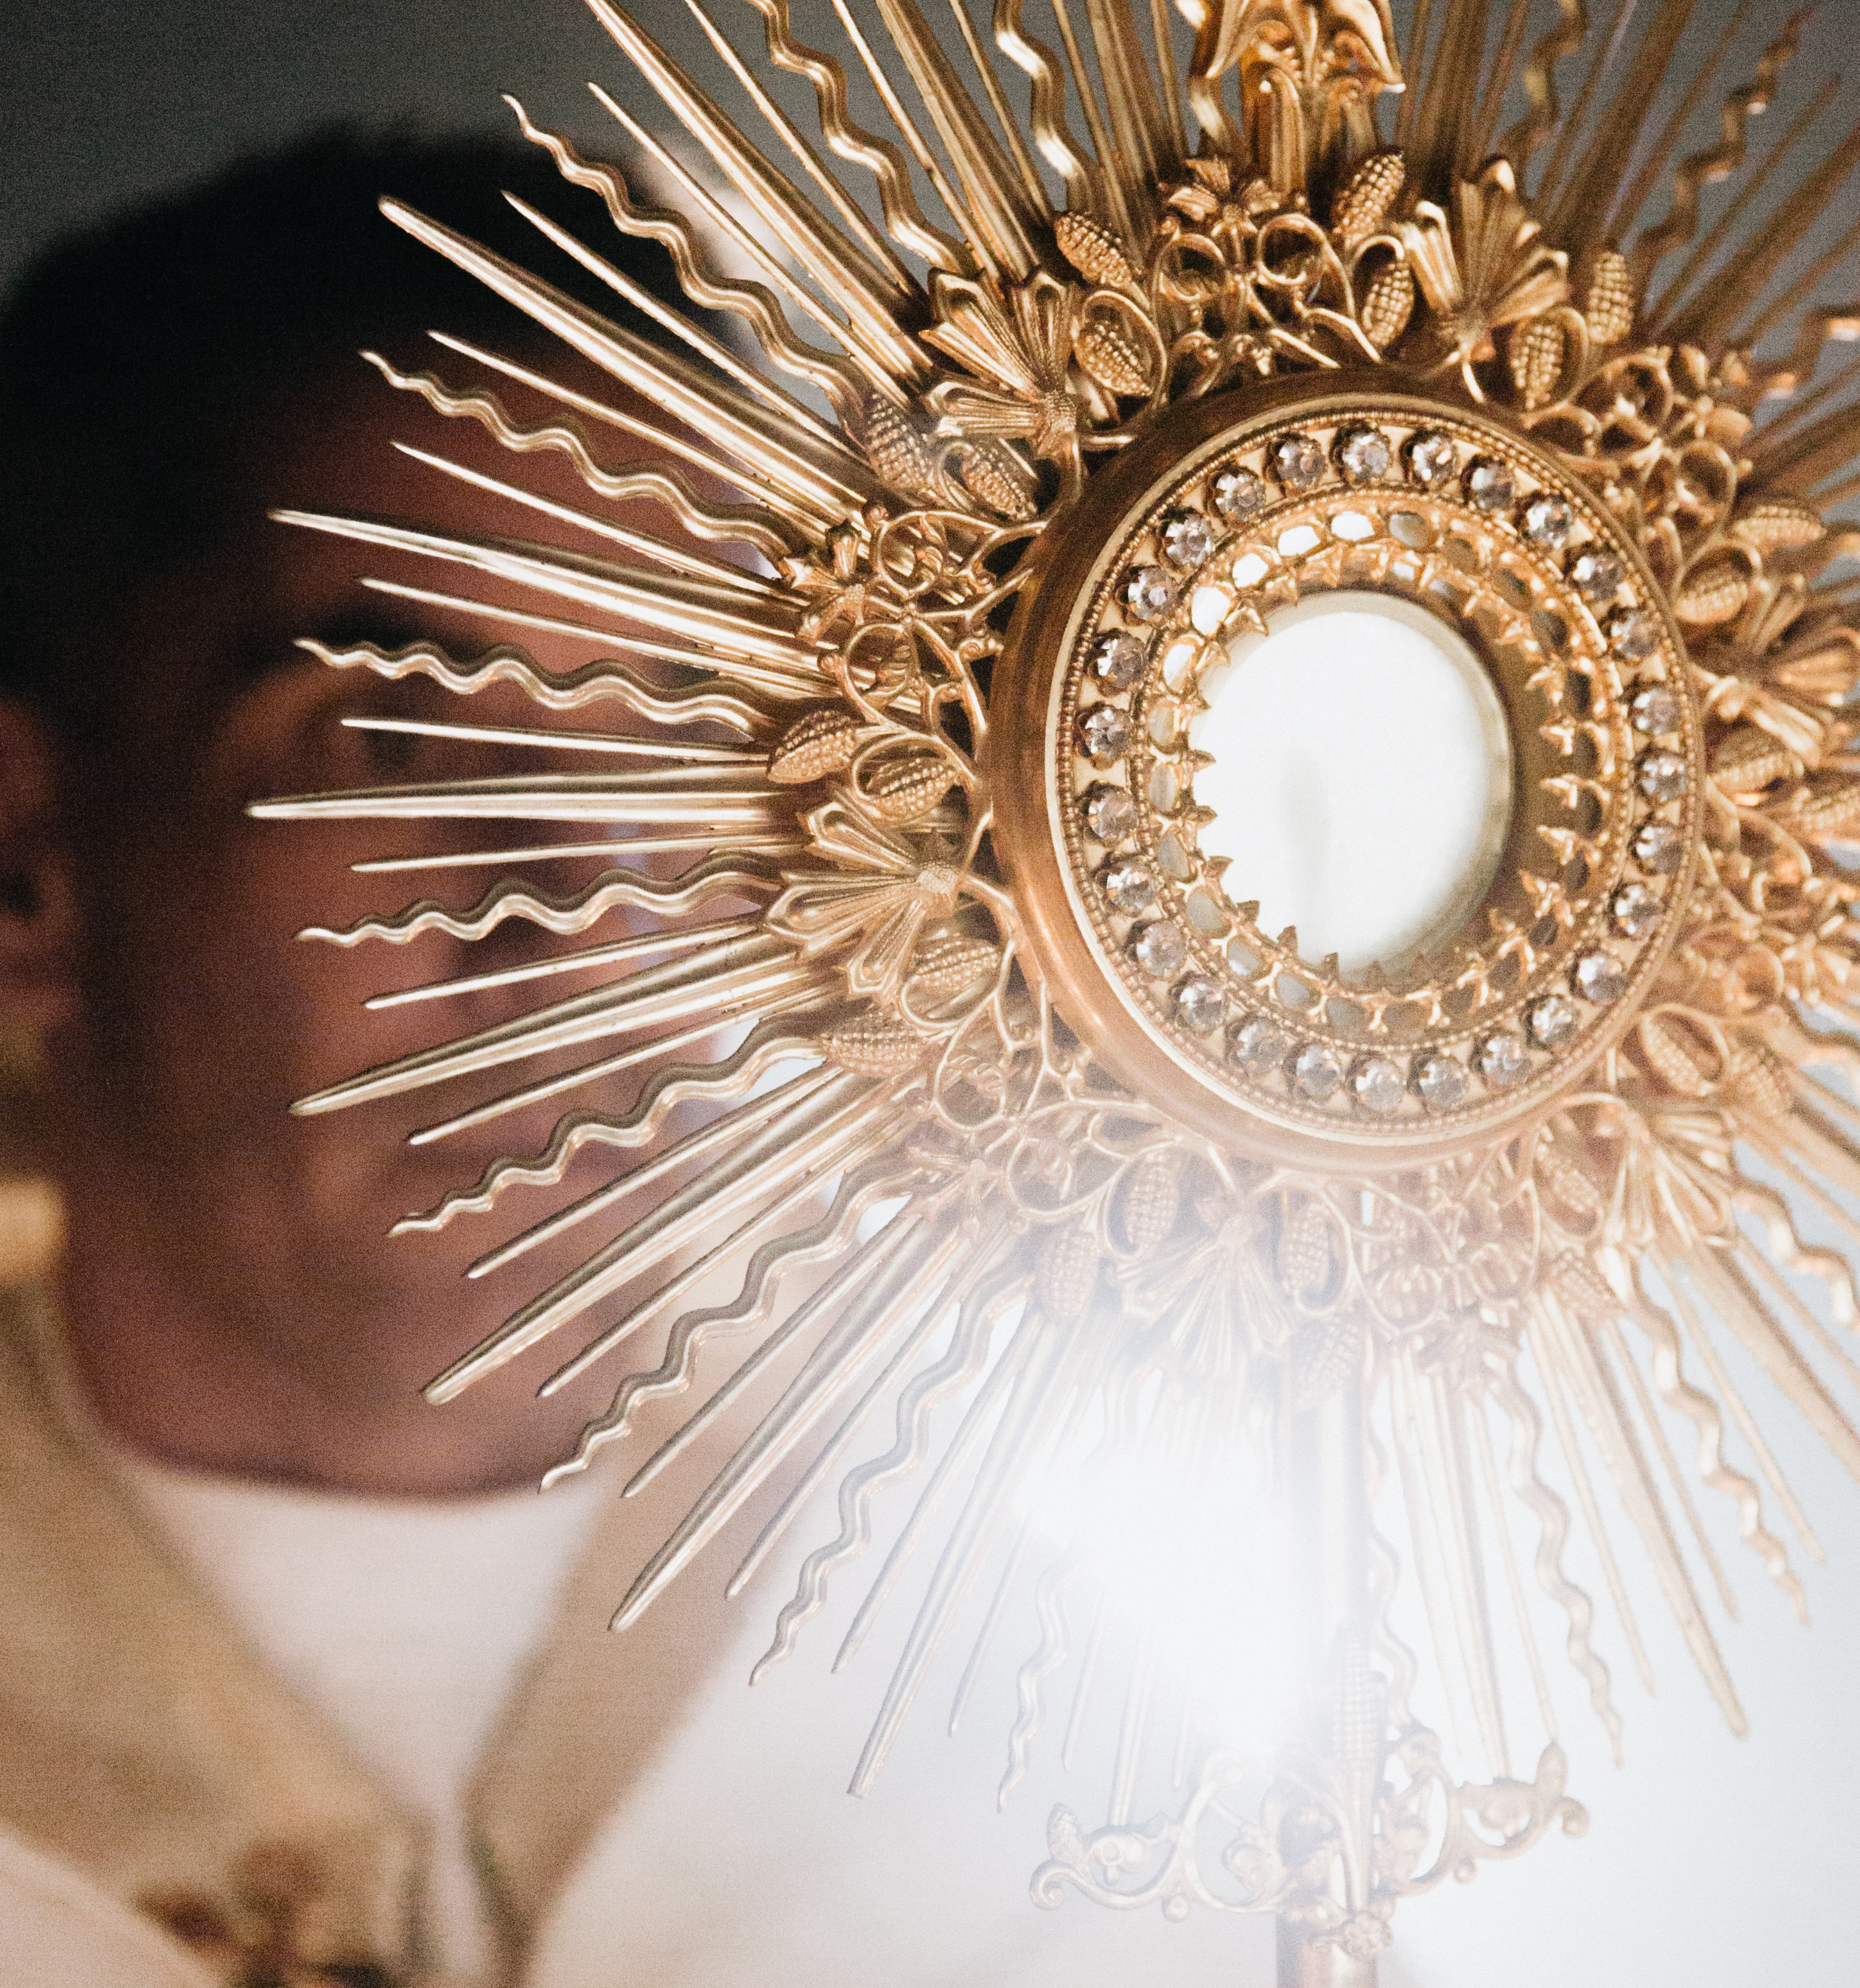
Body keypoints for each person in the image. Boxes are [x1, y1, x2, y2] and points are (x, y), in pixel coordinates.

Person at [0, 130, 1276, 1988]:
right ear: (31, 863)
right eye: (401, 747)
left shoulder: (1052, 1774)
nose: (584, 915)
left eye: (684, 744)